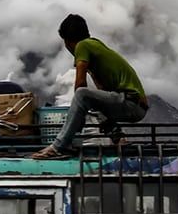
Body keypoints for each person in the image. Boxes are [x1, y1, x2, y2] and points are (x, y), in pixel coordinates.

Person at [32, 14, 149, 159]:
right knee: (93, 101)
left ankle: (57, 147)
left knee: (82, 94)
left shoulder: (83, 45)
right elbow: (101, 94)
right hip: (136, 105)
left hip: (130, 102)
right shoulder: (95, 46)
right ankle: (119, 138)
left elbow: (80, 85)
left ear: (67, 41)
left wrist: (76, 115)